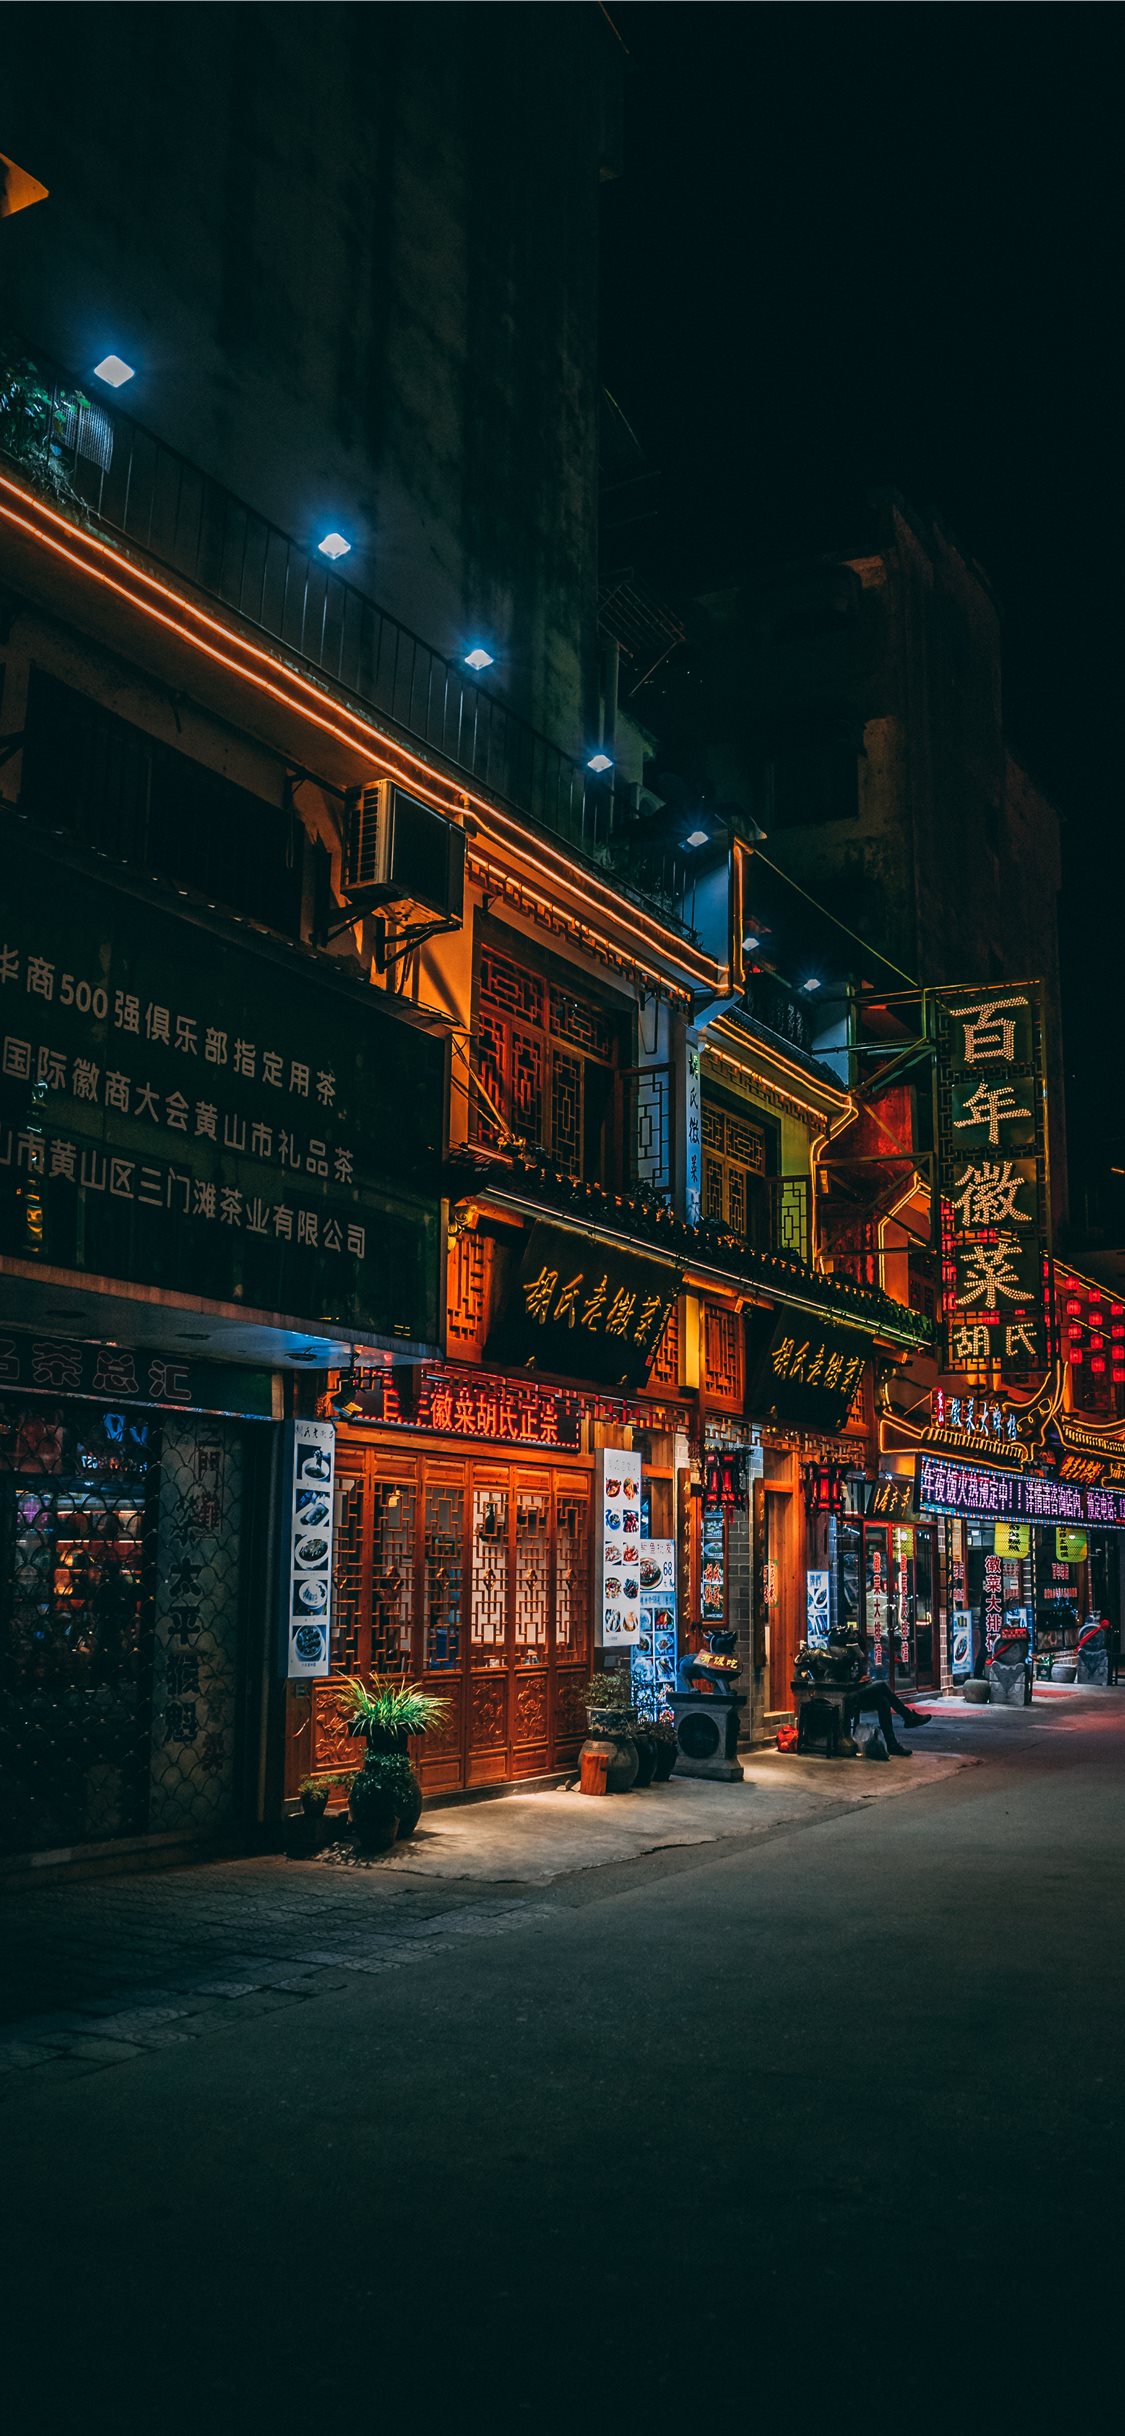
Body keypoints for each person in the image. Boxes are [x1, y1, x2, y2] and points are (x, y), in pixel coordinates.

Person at [845, 1624, 932, 1757]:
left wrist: (862, 1679)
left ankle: (892, 1744)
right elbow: (843, 1681)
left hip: (859, 1691)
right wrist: (857, 1681)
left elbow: (858, 1676)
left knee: (883, 1701)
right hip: (849, 1694)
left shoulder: (857, 1659)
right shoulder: (842, 1658)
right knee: (881, 1685)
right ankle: (908, 1716)